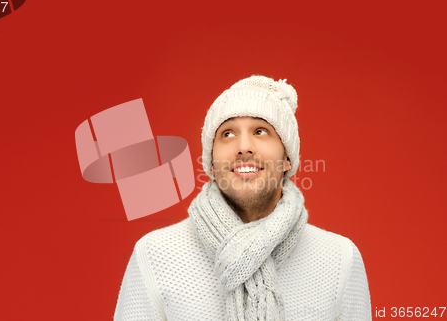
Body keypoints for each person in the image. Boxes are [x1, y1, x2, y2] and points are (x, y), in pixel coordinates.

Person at [113, 75, 372, 320]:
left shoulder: (339, 258)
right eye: (228, 134)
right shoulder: (156, 254)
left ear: (288, 159)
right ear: (211, 164)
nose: (243, 146)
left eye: (261, 131)